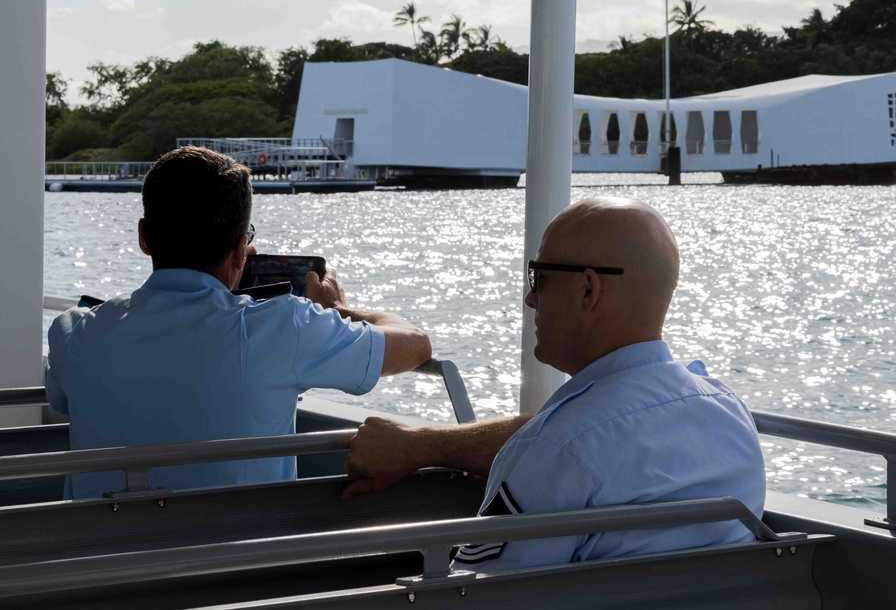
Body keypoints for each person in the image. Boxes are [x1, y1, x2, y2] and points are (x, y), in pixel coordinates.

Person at [342, 196, 765, 571]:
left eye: (539, 278)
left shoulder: (555, 449)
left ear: (587, 290)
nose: (530, 299)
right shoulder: (730, 416)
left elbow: (480, 595)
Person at [45, 146, 432, 500]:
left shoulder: (75, 332)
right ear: (238, 251)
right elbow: (415, 344)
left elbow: (60, 398)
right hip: (241, 567)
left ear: (144, 237)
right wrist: (339, 309)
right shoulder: (282, 326)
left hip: (101, 567)